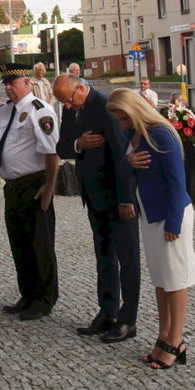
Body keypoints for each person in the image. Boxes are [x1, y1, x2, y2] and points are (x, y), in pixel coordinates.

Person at [113, 89, 195, 370]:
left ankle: (176, 340)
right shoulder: (132, 134)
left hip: (171, 214)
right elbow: (123, 173)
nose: (121, 123)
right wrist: (128, 163)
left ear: (134, 110)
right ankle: (163, 337)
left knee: (175, 279)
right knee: (161, 280)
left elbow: (177, 181)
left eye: (123, 117)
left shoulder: (161, 132)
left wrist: (173, 223)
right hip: (149, 214)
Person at [55, 73, 139, 344]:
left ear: (81, 88)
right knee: (104, 257)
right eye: (63, 102)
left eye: (69, 100)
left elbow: (123, 156)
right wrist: (79, 144)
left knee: (127, 259)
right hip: (93, 197)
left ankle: (128, 320)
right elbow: (62, 147)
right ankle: (107, 312)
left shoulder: (106, 106)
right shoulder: (71, 108)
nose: (68, 106)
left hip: (117, 197)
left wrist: (126, 198)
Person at [0, 64, 60, 321]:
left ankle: (44, 298)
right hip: (13, 187)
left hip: (34, 185)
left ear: (26, 83)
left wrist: (49, 187)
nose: (8, 88)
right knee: (19, 243)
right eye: (5, 84)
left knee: (39, 243)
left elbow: (52, 153)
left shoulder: (40, 111)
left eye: (12, 83)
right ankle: (27, 294)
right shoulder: (7, 110)